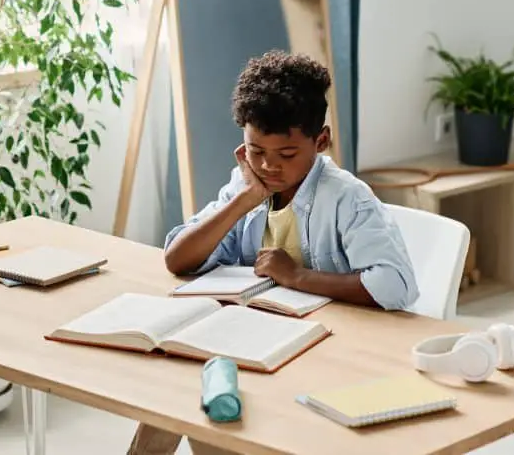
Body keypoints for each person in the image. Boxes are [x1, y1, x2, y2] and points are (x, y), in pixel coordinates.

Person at [128, 51, 418, 455]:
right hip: (259, 340)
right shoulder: (248, 184)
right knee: (176, 391)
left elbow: (395, 285)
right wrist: (242, 201)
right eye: (254, 150)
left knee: (206, 399)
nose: (267, 166)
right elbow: (178, 259)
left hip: (329, 352)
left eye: (286, 155)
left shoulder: (348, 198)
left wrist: (297, 277)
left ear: (321, 141)